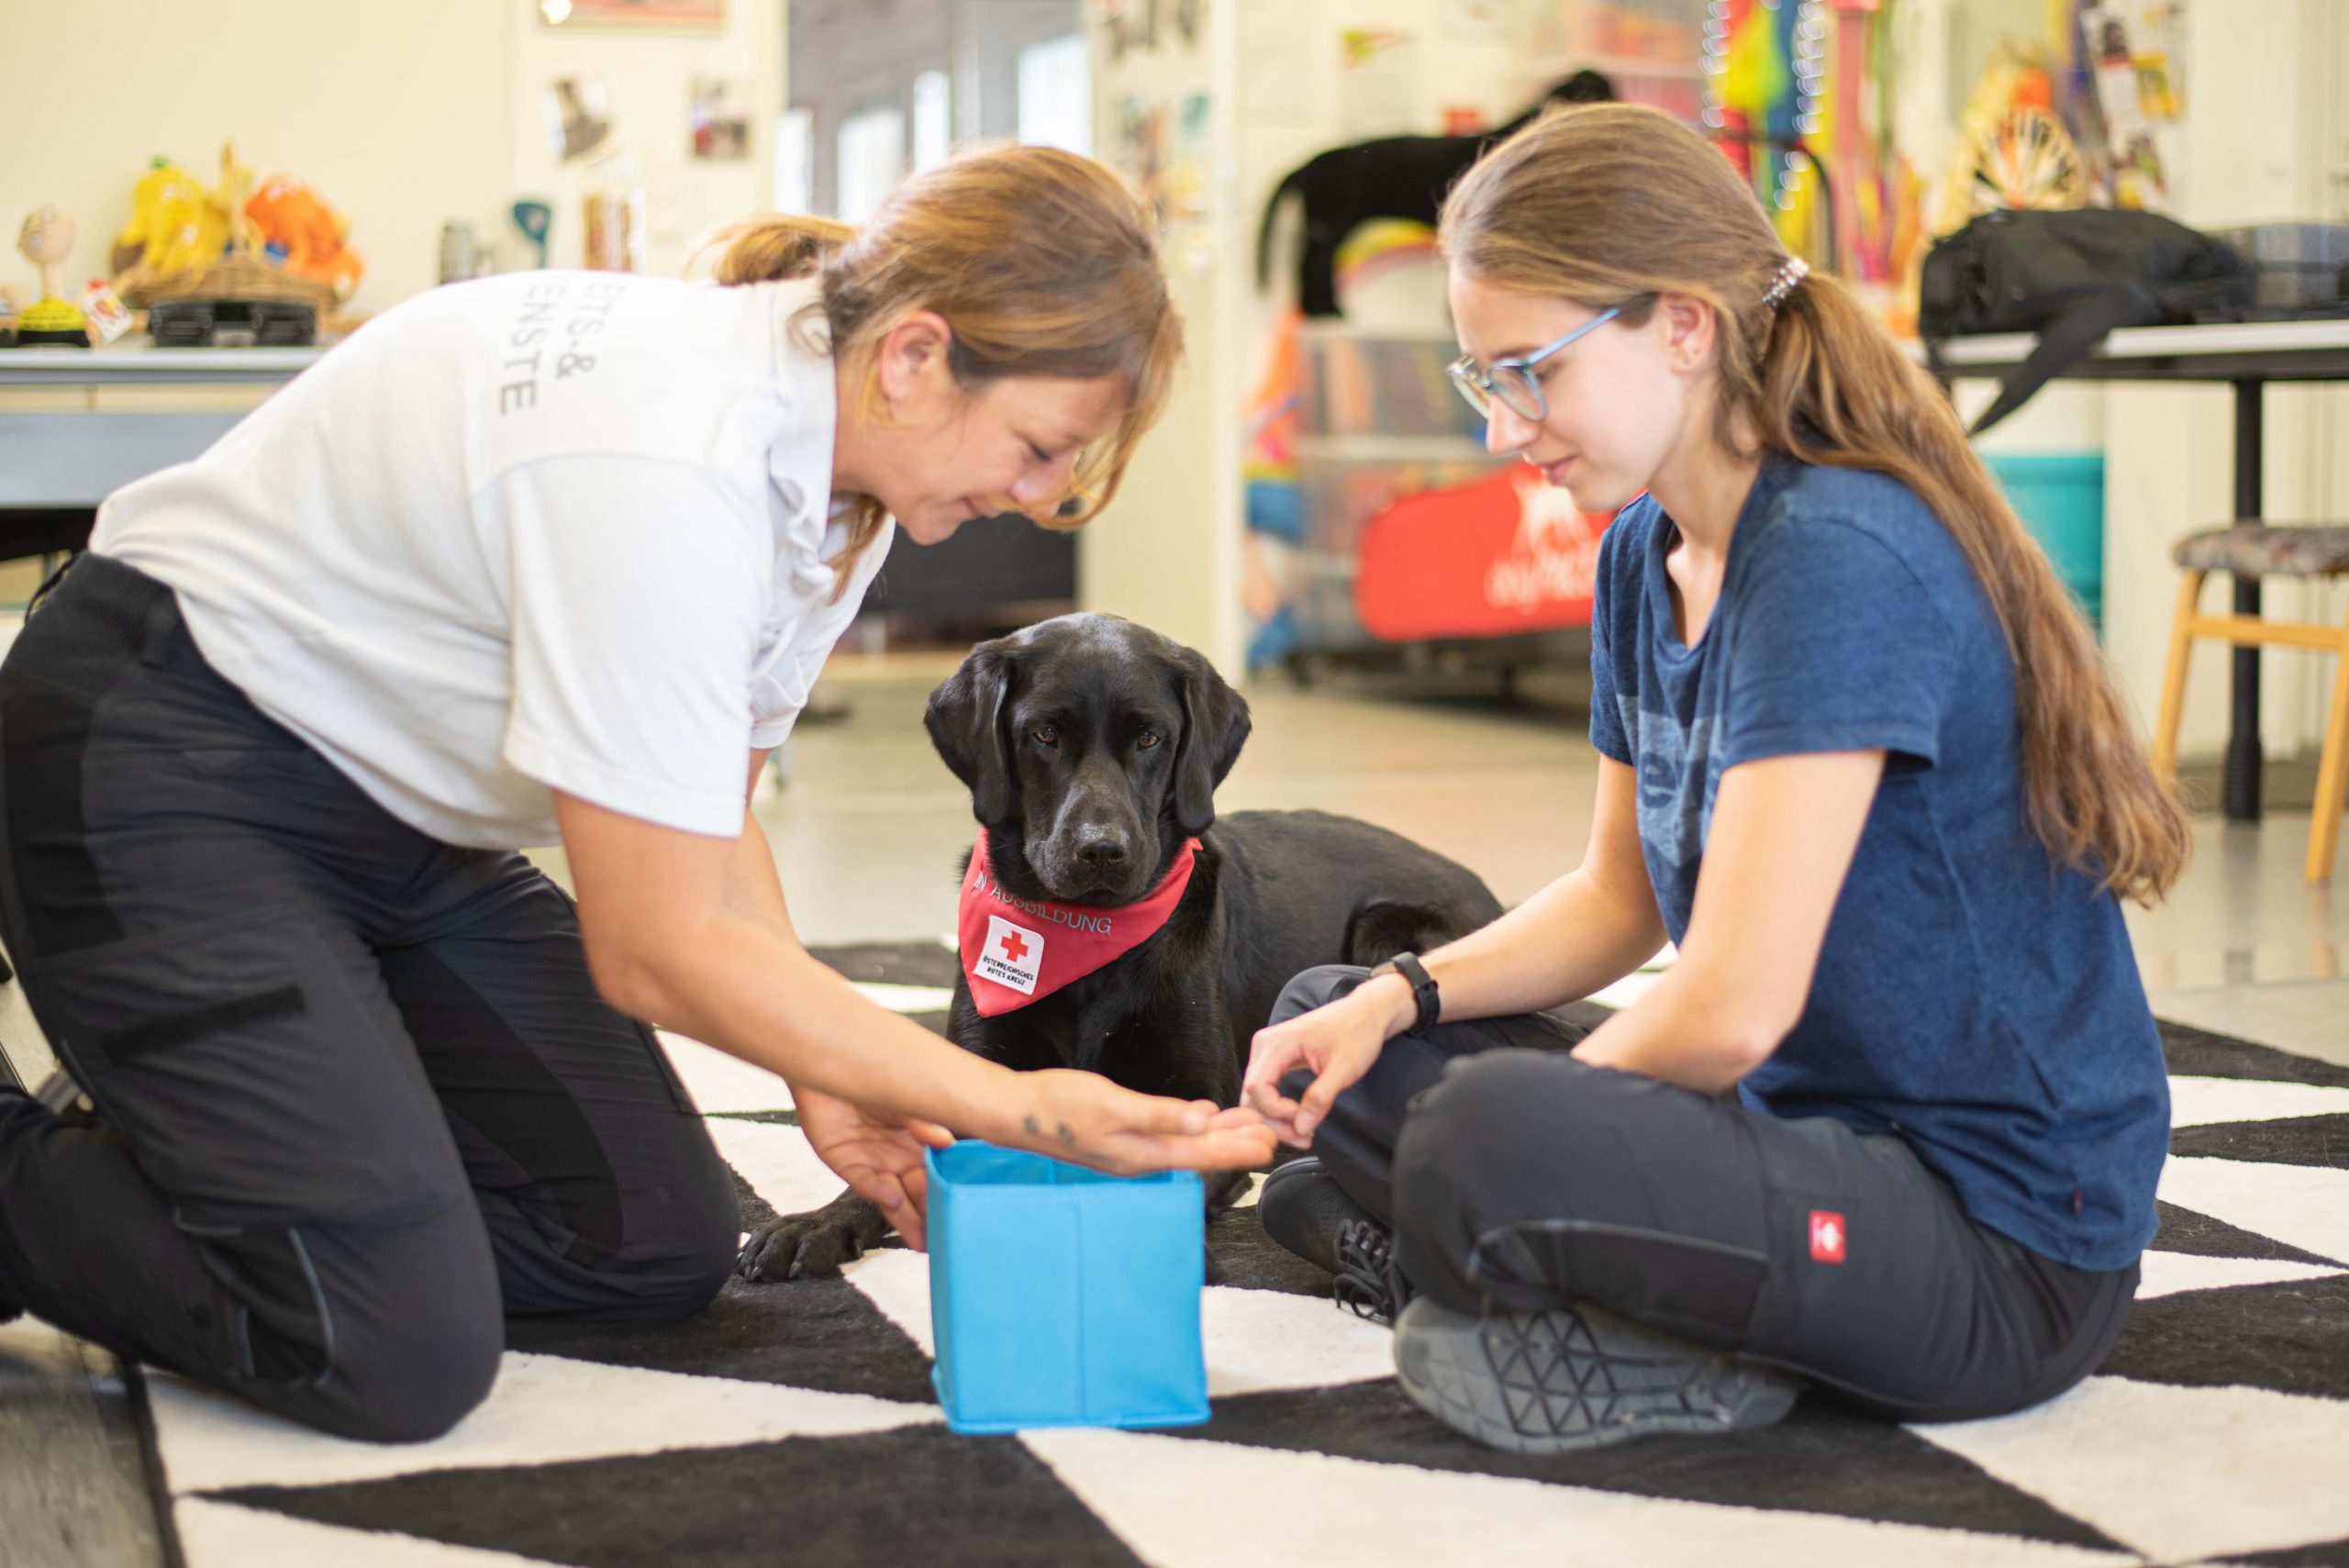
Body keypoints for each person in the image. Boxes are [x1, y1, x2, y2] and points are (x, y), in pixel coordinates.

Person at [0, 144, 1274, 1444]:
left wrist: (824, 1076)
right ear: (915, 356)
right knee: (390, 1346)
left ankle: (220, 1110)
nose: (1042, 496)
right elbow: (656, 944)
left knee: (650, 1245)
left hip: (403, 825)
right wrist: (1018, 1104)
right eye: (1040, 446)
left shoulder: (843, 481)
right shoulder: (673, 465)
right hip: (163, 764)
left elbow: (710, 814)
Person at [1244, 104, 2189, 1455]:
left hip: (2007, 1248)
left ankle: (1532, 1262)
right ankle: (1531, 1255)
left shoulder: (1838, 555)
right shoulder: (1646, 550)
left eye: (1532, 372)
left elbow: (1734, 1006)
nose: (1507, 429)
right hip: (1790, 1143)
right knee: (1329, 1022)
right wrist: (1401, 1000)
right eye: (1481, 382)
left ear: (1683, 326)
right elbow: (1613, 899)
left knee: (1477, 1134)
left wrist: (1513, 1137)